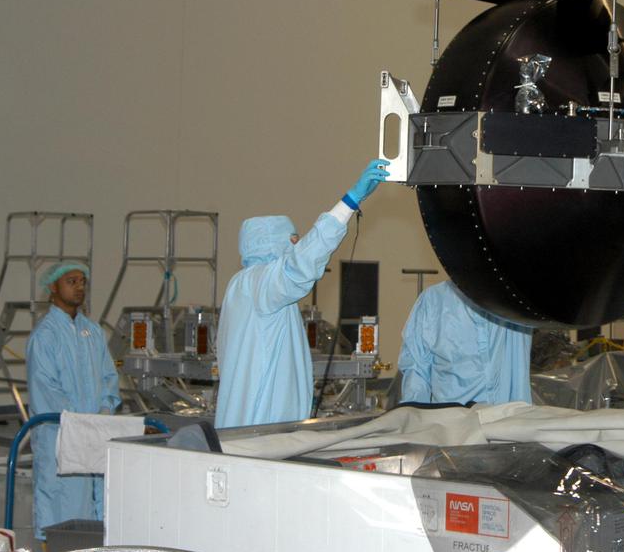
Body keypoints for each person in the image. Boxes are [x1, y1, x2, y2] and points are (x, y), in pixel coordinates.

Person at [215, 159, 388, 429]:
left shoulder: (245, 288)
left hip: (251, 434)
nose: (297, 245)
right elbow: (300, 265)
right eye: (293, 240)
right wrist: (349, 203)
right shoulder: (259, 283)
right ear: (273, 243)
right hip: (261, 437)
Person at [26, 262, 121, 542]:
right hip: (60, 434)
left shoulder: (92, 332)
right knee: (62, 501)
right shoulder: (44, 336)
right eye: (71, 281)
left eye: (82, 281)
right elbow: (46, 390)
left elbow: (108, 377)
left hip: (93, 433)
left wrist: (104, 411)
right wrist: (79, 422)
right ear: (53, 287)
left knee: (95, 502)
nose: (79, 287)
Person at [397, 280, 534, 405]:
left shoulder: (516, 300)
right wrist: (415, 421)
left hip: (508, 422)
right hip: (451, 424)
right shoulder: (433, 300)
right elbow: (416, 373)